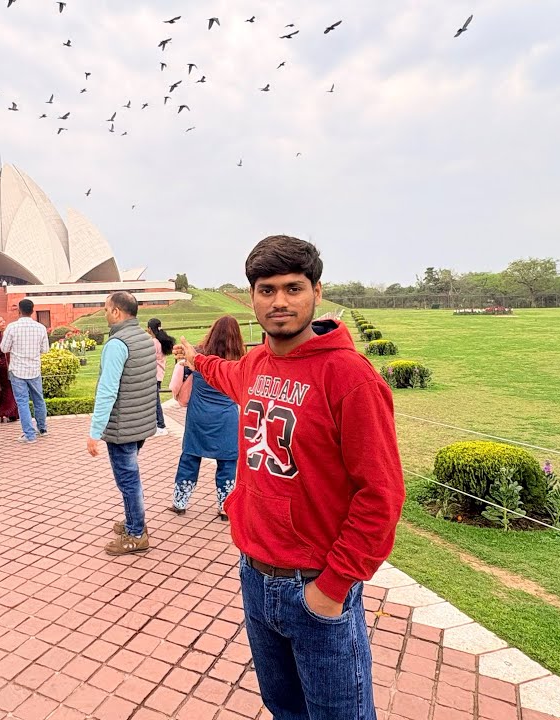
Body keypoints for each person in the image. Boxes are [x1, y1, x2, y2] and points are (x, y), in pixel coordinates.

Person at [173, 235, 405, 720]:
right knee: (284, 709)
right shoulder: (257, 364)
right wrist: (194, 360)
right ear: (252, 297)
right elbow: (225, 371)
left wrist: (333, 588)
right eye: (266, 289)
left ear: (317, 292)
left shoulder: (349, 378)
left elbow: (381, 496)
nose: (279, 301)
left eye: (293, 288)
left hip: (316, 585)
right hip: (255, 575)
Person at [88, 292, 158, 555]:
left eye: (106, 309)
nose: (105, 313)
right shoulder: (143, 338)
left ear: (117, 312)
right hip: (139, 423)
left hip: (122, 428)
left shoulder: (118, 344)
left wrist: (95, 432)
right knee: (130, 477)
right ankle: (133, 520)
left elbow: (107, 391)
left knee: (128, 480)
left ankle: (136, 533)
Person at [169, 316, 246, 520]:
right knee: (227, 462)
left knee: (190, 457)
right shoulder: (240, 360)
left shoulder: (199, 355)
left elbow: (179, 376)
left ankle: (180, 502)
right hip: (227, 418)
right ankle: (224, 506)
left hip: (199, 415)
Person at [0, 298, 50, 443]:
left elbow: (4, 348)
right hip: (34, 369)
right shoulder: (40, 328)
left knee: (22, 403)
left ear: (19, 311)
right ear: (32, 311)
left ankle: (29, 435)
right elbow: (45, 350)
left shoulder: (12, 327)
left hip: (17, 370)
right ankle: (42, 429)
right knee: (39, 400)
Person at [146, 318, 175, 436]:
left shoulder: (153, 343)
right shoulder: (161, 342)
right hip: (159, 374)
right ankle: (157, 424)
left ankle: (160, 425)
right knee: (155, 399)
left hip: (153, 374)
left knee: (155, 401)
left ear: (149, 329)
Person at [0, 316, 20, 423]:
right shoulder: (1, 334)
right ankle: (9, 413)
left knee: (5, 388)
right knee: (9, 387)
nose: (3, 322)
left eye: (3, 320)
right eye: (0, 321)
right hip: (6, 363)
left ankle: (3, 413)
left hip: (0, 363)